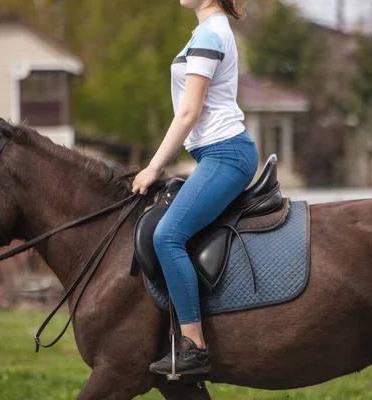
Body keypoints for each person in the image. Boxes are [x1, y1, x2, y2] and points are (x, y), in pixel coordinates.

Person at [132, 0, 258, 375]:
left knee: (168, 236)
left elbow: (189, 112)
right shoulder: (207, 32)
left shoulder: (210, 33)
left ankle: (194, 346)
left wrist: (153, 168)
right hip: (215, 155)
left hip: (226, 155)